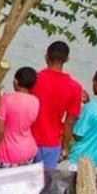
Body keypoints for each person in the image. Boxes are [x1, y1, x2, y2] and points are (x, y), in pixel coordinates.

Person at [31, 40, 83, 170]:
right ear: (67, 59)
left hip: (28, 140)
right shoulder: (75, 87)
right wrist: (65, 148)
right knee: (44, 186)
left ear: (46, 56)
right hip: (51, 144)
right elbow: (69, 123)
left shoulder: (33, 79)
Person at [0, 67, 40, 167]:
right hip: (29, 150)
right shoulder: (35, 101)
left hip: (8, 152)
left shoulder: (6, 99)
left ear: (15, 81)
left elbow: (0, 131)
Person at [69, 70, 97, 167]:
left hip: (81, 160)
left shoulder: (90, 108)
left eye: (93, 81)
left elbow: (77, 135)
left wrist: (73, 117)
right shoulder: (91, 107)